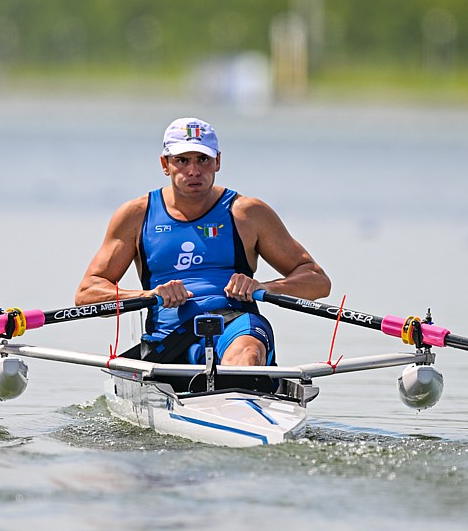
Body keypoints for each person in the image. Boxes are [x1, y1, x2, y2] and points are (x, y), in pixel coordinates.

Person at [76, 117, 330, 366]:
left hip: (236, 324)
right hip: (169, 338)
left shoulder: (248, 213)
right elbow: (87, 293)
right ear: (165, 164)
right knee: (201, 357)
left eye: (203, 159)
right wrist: (148, 295)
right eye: (182, 161)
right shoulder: (136, 215)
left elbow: (318, 281)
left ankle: (240, 382)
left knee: (247, 353)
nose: (194, 171)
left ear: (218, 161)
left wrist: (263, 287)